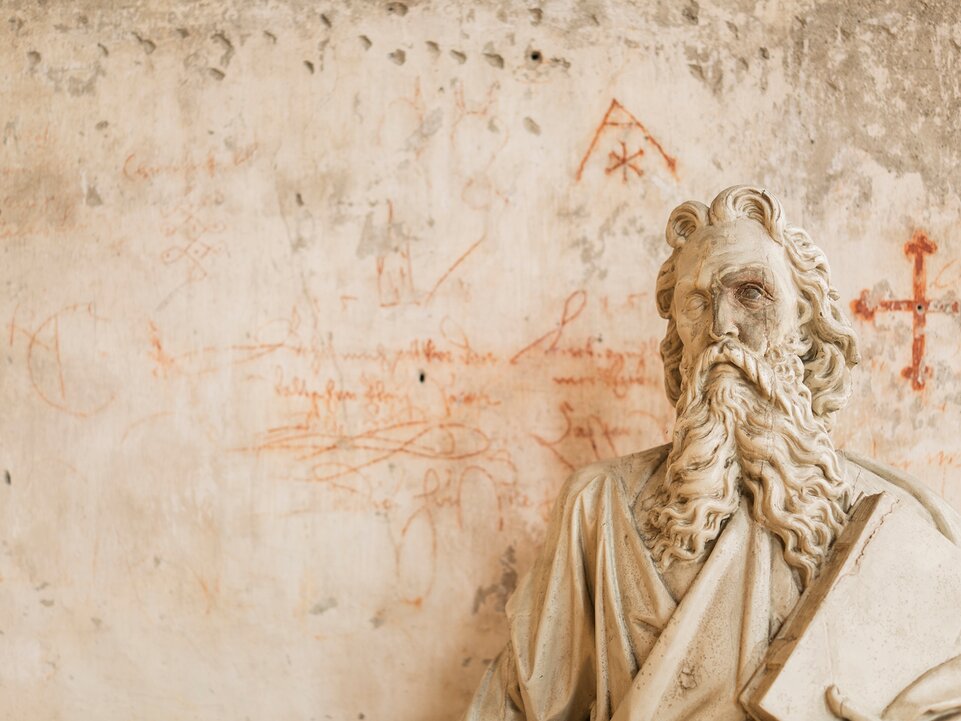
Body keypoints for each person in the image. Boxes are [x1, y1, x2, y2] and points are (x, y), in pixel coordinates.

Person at [461, 186, 961, 721]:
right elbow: (515, 706)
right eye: (697, 303)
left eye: (750, 293)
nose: (722, 326)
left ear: (806, 323)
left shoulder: (901, 532)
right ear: (678, 333)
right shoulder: (599, 512)